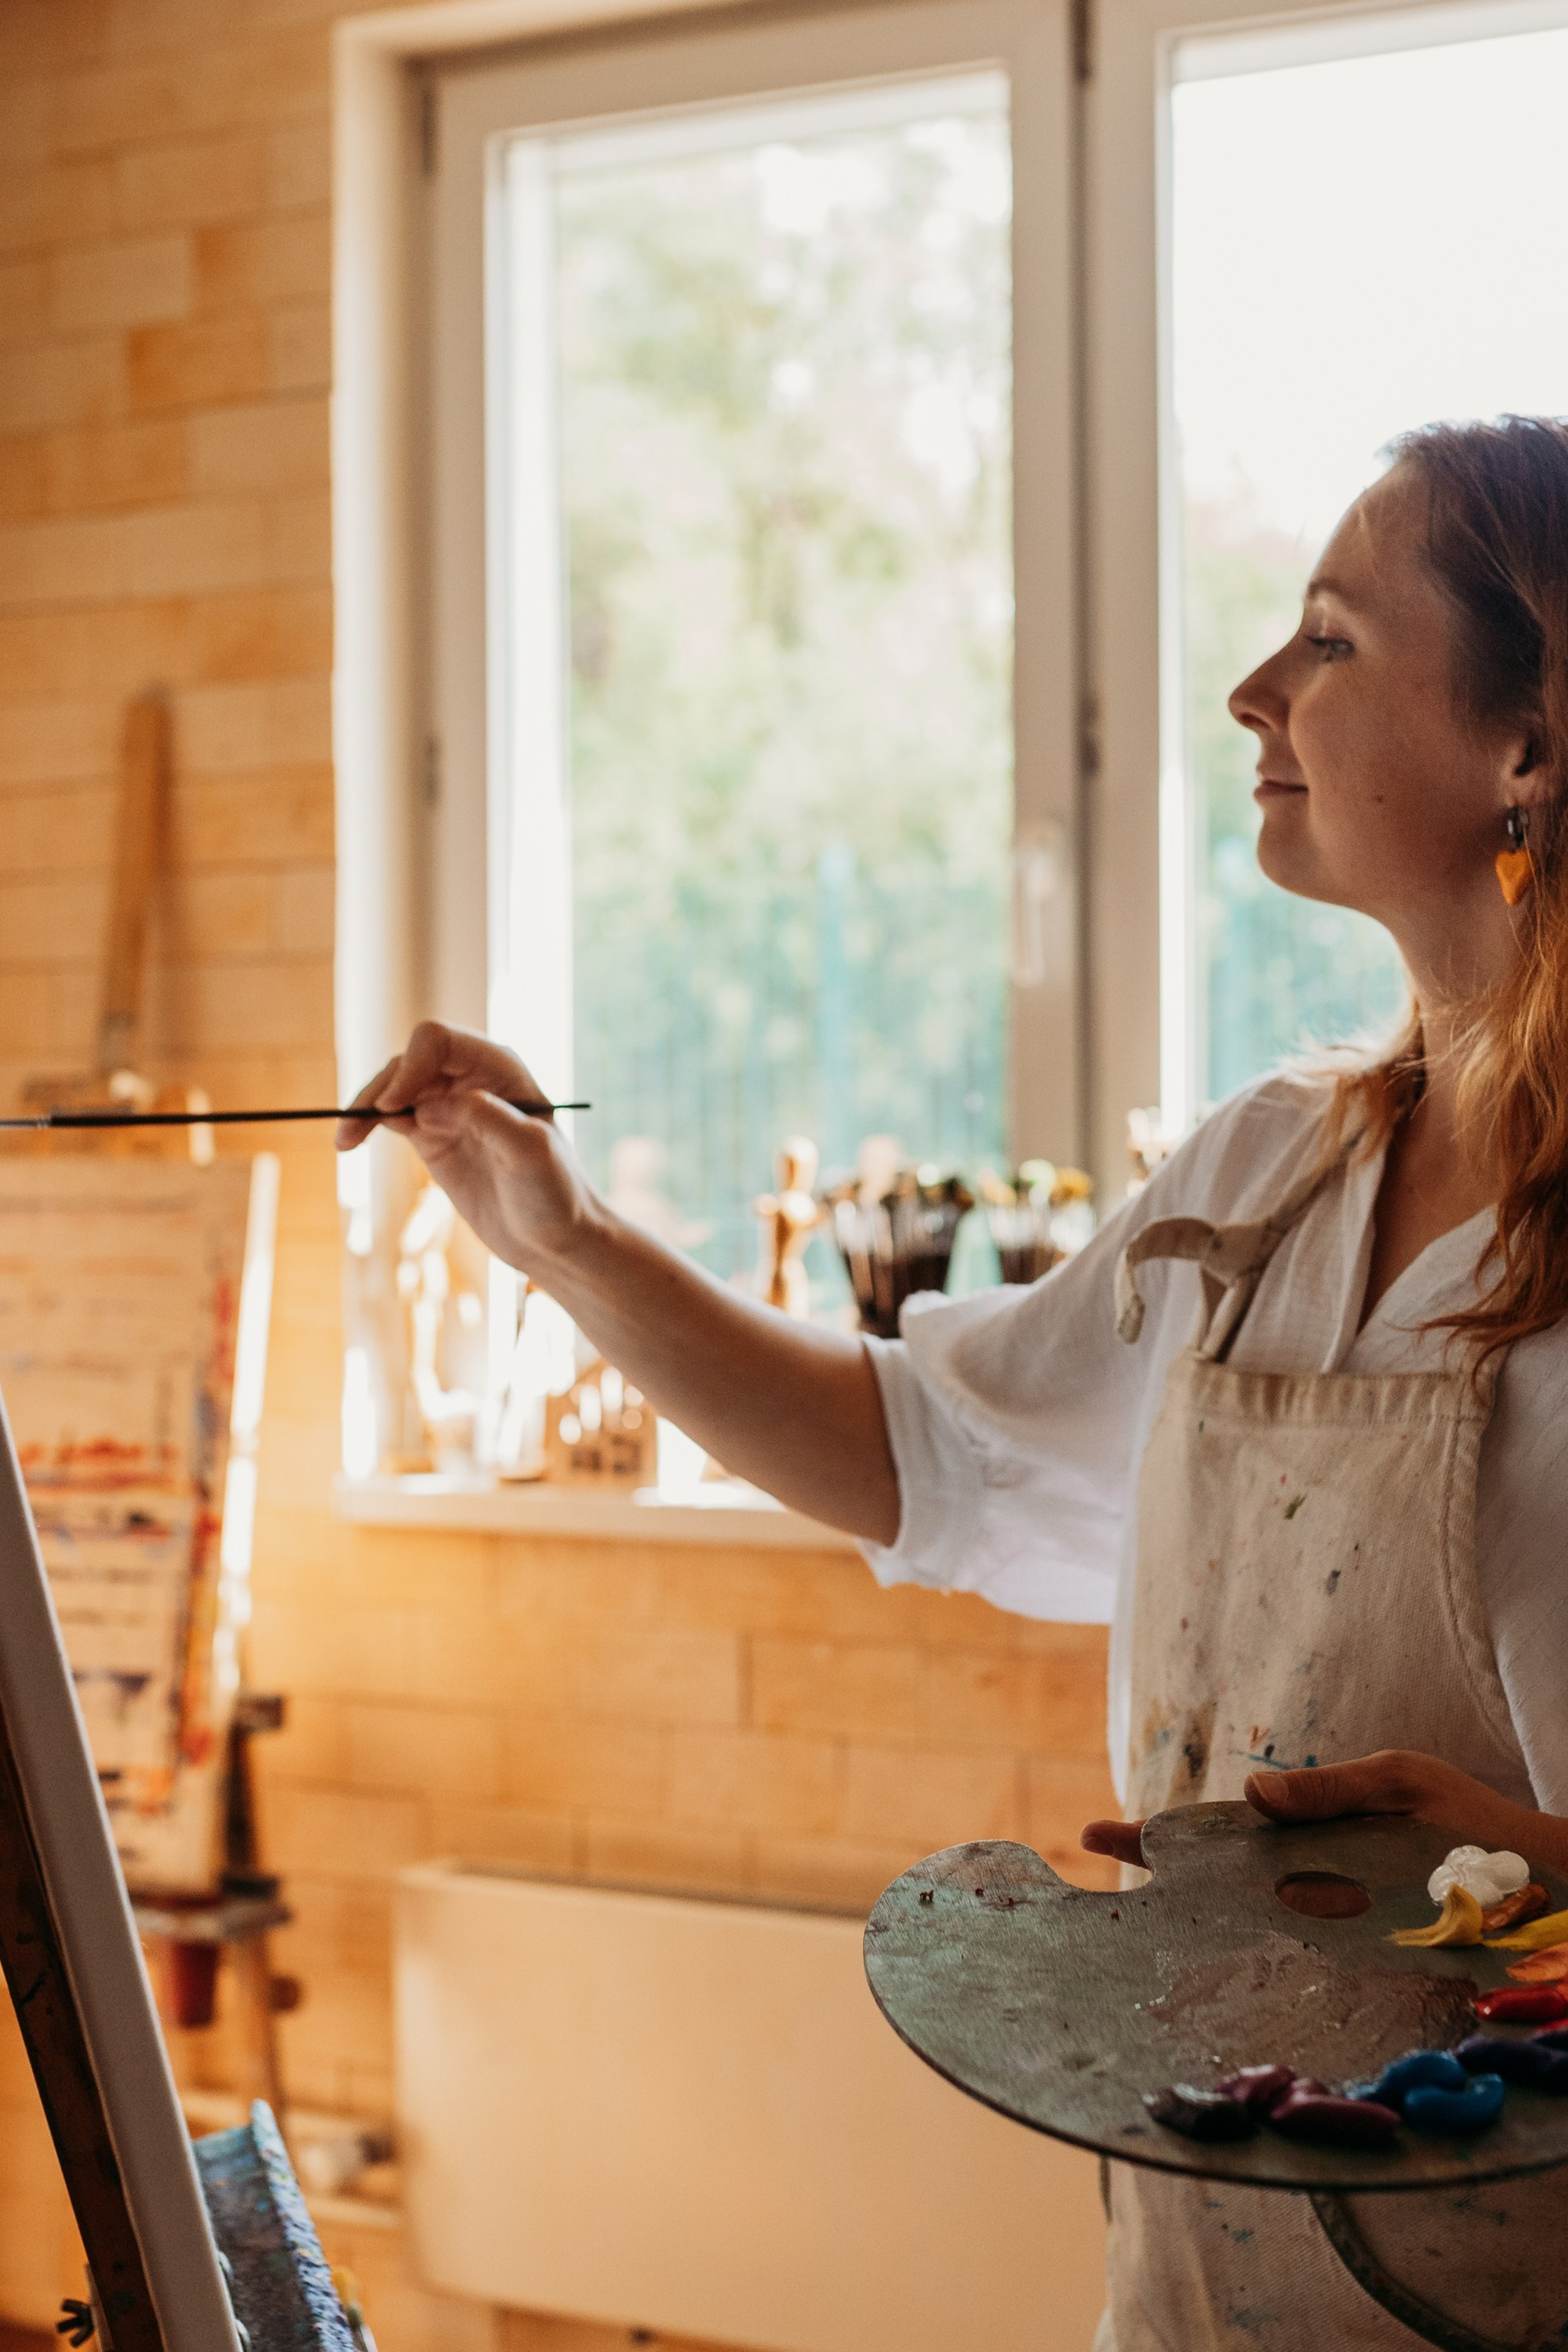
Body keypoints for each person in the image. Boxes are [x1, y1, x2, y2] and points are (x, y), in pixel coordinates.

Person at [341, 415, 1568, 2348]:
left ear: (1532, 740)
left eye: (1330, 639)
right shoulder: (1259, 1182)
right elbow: (920, 1451)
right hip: (1199, 2276)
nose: (1254, 689)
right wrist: (561, 1237)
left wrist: (1526, 1880)